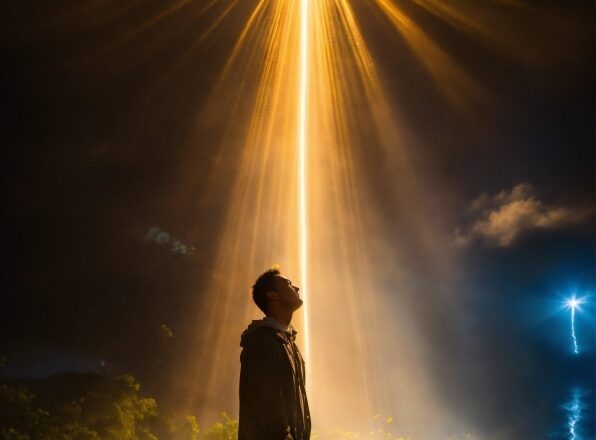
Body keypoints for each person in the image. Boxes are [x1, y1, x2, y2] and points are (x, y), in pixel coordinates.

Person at [238, 269, 311, 440]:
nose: (297, 287)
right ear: (272, 295)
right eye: (288, 284)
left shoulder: (291, 346)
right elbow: (268, 412)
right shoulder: (261, 343)